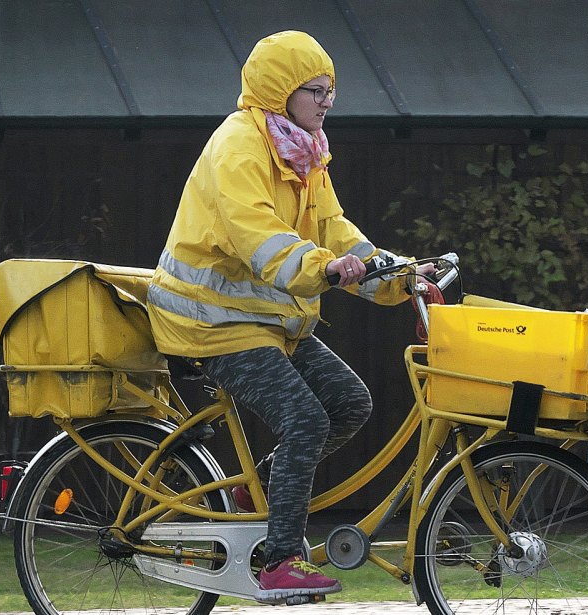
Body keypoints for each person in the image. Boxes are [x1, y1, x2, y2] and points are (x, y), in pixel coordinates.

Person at [147, 30, 431, 603]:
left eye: (331, 90)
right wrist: (324, 270)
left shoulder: (303, 150)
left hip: (266, 321)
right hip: (213, 323)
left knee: (350, 403)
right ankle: (280, 561)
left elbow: (333, 228)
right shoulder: (238, 148)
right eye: (315, 90)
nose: (327, 101)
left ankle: (264, 496)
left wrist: (398, 276)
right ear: (280, 90)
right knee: (307, 419)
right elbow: (257, 234)